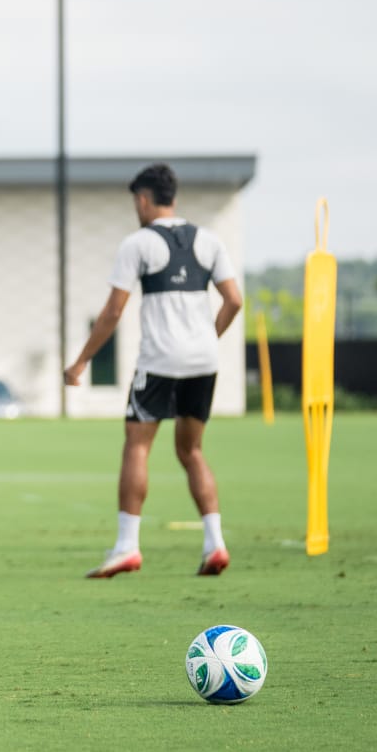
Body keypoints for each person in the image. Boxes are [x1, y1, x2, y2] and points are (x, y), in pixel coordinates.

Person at [63, 163, 243, 579]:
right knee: (191, 451)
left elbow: (113, 311)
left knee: (137, 446)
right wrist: (207, 338)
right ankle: (215, 544)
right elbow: (233, 300)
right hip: (203, 362)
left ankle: (127, 547)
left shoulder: (138, 244)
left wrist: (82, 361)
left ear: (143, 199)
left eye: (135, 202)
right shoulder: (210, 241)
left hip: (160, 361)